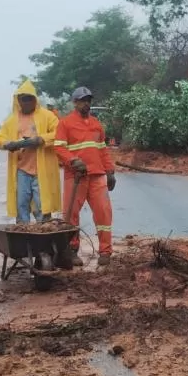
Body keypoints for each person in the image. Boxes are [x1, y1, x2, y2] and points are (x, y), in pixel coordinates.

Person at [54, 86, 116, 267]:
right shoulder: (65, 123)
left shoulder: (96, 124)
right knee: (71, 214)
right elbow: (59, 147)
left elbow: (102, 150)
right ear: (75, 102)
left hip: (97, 176)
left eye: (88, 100)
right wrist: (73, 161)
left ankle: (105, 251)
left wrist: (110, 171)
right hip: (76, 177)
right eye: (83, 101)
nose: (86, 104)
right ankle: (72, 251)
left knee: (104, 213)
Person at [0, 80, 62, 223]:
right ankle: (23, 233)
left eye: (29, 98)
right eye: (23, 99)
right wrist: (8, 144)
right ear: (18, 100)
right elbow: (0, 138)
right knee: (21, 205)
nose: (26, 102)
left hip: (41, 170)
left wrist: (41, 140)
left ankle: (44, 234)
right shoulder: (12, 120)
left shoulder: (47, 116)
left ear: (35, 99)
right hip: (21, 170)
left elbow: (59, 133)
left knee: (42, 206)